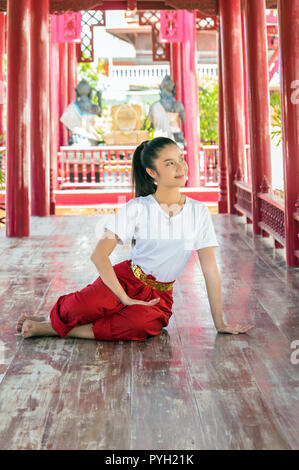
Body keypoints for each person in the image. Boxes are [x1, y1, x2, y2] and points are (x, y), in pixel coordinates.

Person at [17, 137, 254, 340]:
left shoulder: (198, 211)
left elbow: (210, 269)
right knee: (84, 306)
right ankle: (53, 319)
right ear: (152, 173)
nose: (181, 166)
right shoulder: (137, 207)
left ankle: (53, 329)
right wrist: (124, 298)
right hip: (127, 279)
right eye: (170, 163)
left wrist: (220, 323)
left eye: (180, 159)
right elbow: (99, 255)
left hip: (159, 294)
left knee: (140, 326)